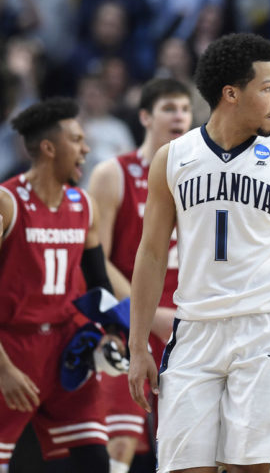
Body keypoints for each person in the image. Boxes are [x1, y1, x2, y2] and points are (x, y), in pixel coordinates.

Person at [127, 33, 270, 473]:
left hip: (266, 329)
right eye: (268, 88)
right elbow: (151, 255)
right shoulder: (172, 159)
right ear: (231, 94)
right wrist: (138, 346)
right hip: (194, 329)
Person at [0, 97, 119, 471]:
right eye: (77, 140)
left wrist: (113, 333)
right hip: (12, 347)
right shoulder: (7, 203)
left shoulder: (83, 204)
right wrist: (3, 369)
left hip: (67, 347)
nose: (87, 149)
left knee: (95, 459)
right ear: (49, 148)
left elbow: (98, 282)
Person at [87, 78, 193, 473]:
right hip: (128, 319)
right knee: (121, 441)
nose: (179, 116)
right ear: (146, 117)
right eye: (169, 108)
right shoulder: (112, 173)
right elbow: (96, 260)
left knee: (187, 444)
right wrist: (147, 313)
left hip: (188, 322)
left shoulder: (202, 177)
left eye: (185, 109)